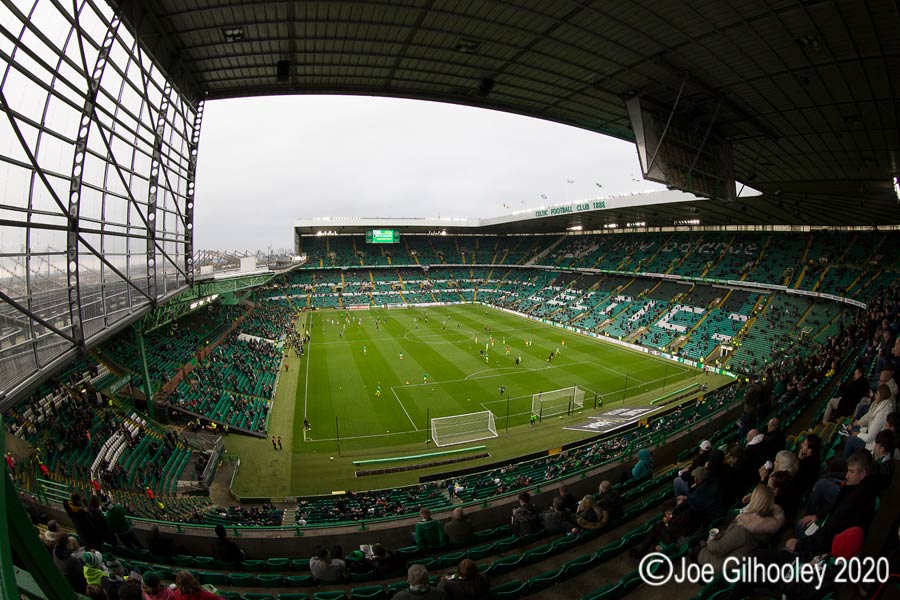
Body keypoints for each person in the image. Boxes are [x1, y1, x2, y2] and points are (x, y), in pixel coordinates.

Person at [786, 450, 879, 558]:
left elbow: (830, 530)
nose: (847, 476)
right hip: (836, 532)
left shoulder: (856, 498)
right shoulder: (863, 486)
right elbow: (837, 502)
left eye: (851, 472)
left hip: (833, 542)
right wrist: (817, 515)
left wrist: (799, 545)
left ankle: (799, 557)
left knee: (800, 527)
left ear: (862, 474)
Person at [697, 485, 785, 572]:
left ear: (754, 500)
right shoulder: (772, 522)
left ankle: (704, 576)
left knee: (697, 551)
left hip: (727, 563)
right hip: (741, 556)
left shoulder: (744, 528)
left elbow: (716, 549)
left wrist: (711, 539)